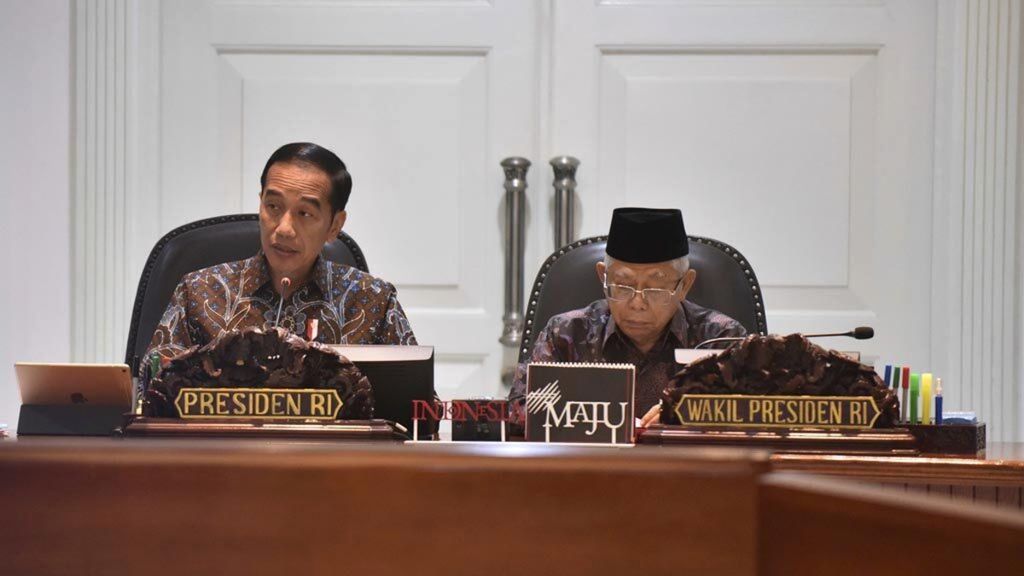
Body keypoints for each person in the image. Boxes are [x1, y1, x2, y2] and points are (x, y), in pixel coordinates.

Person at [145, 142, 416, 364]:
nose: (284, 228)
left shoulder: (373, 302)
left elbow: (419, 408)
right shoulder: (198, 293)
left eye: (305, 213)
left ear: (334, 225)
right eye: (273, 206)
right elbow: (149, 392)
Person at [509, 207, 746, 427]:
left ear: (685, 285)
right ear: (603, 277)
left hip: (686, 470)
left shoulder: (722, 339)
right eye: (623, 286)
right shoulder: (567, 333)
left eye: (656, 290)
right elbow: (518, 410)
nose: (637, 304)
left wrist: (687, 412)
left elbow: (755, 412)